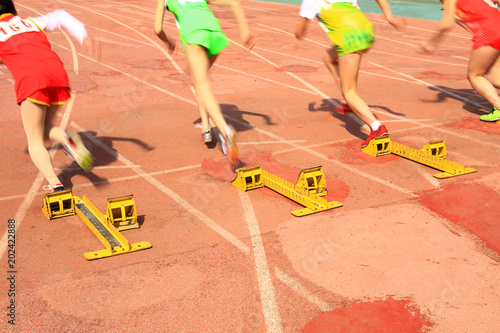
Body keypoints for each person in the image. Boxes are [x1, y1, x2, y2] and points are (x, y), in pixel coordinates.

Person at [0, 1, 97, 192]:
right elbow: (61, 16)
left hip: (32, 80)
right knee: (44, 130)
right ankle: (67, 139)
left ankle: (56, 185)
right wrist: (84, 37)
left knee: (34, 141)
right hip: (57, 73)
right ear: (14, 10)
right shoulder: (31, 22)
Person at [154, 0, 256, 169]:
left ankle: (225, 131)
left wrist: (169, 42)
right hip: (213, 30)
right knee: (199, 81)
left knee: (202, 84)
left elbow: (157, 29)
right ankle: (206, 129)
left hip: (193, 32)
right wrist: (244, 32)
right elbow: (234, 4)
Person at [295, 0, 404, 147]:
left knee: (350, 92)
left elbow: (299, 34)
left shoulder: (311, 1)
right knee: (328, 57)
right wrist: (389, 17)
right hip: (365, 31)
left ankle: (377, 128)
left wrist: (301, 26)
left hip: (350, 39)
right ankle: (347, 101)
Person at [421, 0, 500, 122]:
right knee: (496, 78)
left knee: (475, 76)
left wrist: (431, 43)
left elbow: (446, 24)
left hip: (487, 32)